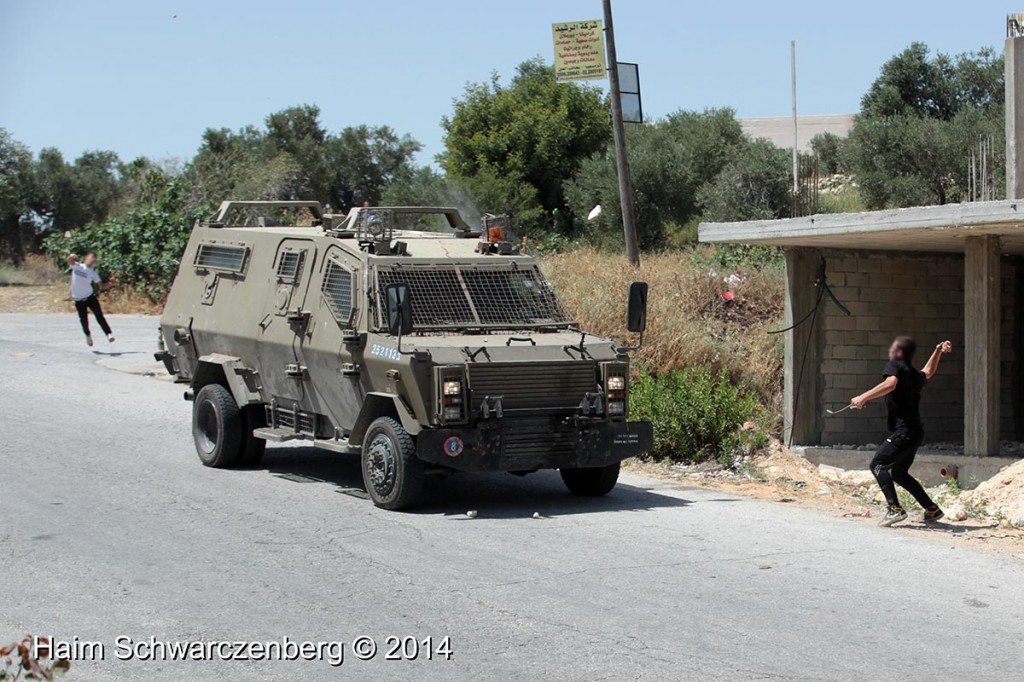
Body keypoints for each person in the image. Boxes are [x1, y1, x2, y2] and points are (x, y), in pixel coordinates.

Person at [850, 336, 953, 527]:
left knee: (878, 465)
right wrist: (937, 350)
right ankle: (932, 509)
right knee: (899, 472)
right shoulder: (913, 374)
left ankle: (894, 510)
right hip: (915, 432)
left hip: (905, 432)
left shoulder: (895, 365)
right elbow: (928, 371)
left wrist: (863, 397)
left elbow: (890, 384)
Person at [67, 251, 114, 346]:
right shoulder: (77, 266)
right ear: (86, 258)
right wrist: (72, 256)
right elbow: (69, 260)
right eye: (90, 257)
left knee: (99, 316)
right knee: (84, 320)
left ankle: (108, 334)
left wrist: (111, 284)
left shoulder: (93, 273)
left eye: (93, 259)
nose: (91, 260)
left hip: (90, 297)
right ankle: (88, 335)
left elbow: (101, 286)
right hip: (79, 300)